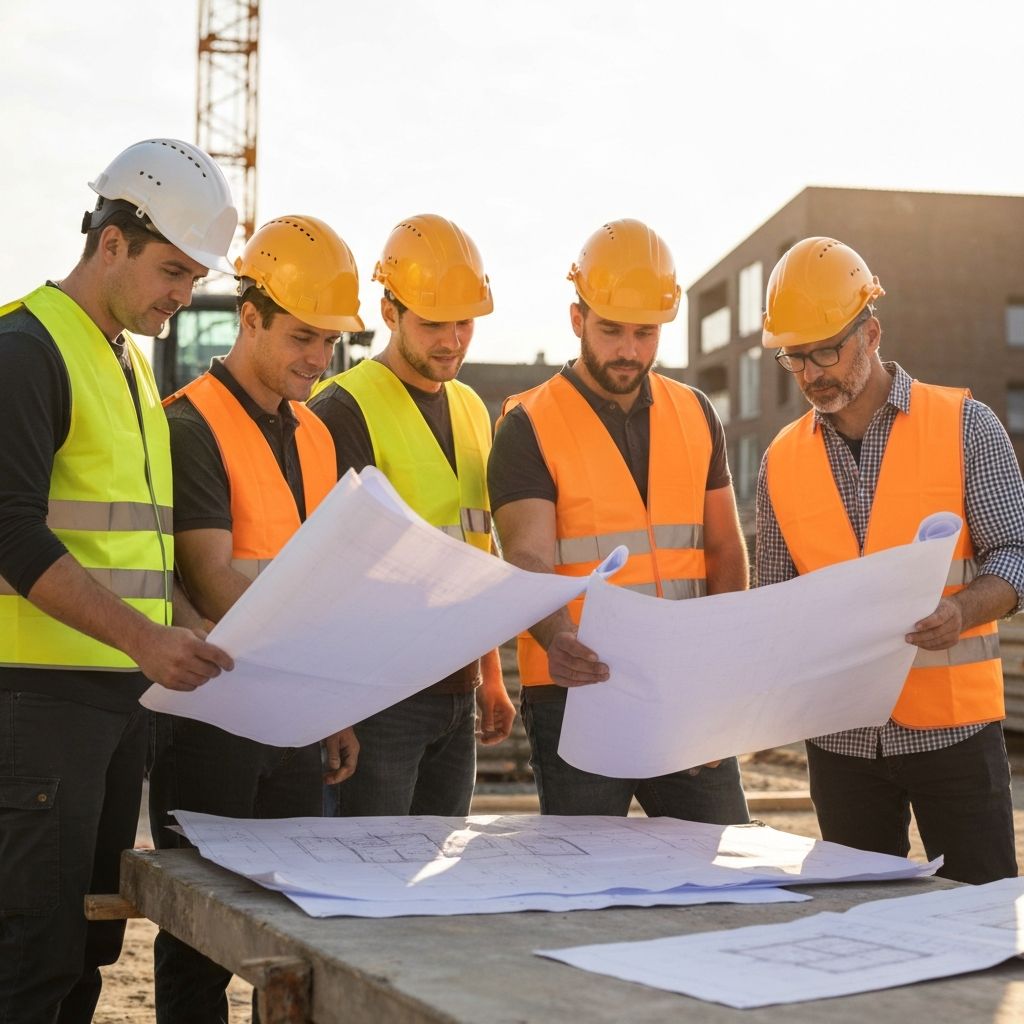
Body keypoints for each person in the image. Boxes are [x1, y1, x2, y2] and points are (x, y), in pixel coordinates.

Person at [0, 138, 237, 1024]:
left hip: (111, 707)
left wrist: (181, 631)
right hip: (36, 707)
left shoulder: (131, 367)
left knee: (87, 950)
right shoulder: (26, 349)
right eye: (172, 270)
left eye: (194, 275)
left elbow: (135, 554)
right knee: (30, 955)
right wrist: (144, 639)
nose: (184, 294)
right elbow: (9, 532)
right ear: (111, 244)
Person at [756, 236, 1024, 884]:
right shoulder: (779, 462)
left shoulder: (966, 425)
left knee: (980, 926)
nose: (813, 371)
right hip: (842, 742)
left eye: (829, 349)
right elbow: (774, 602)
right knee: (857, 936)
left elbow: (1016, 553)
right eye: (797, 357)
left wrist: (962, 611)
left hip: (954, 735)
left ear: (871, 333)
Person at [149, 215, 362, 1022]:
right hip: (212, 718)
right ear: (251, 315)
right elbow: (209, 577)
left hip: (293, 716)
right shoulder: (189, 421)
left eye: (331, 342)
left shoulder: (315, 432)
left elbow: (320, 580)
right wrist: (310, 681)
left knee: (296, 934)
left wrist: (329, 704)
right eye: (303, 336)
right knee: (198, 938)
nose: (319, 359)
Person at [488, 218, 750, 822]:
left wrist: (721, 658)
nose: (629, 350)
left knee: (717, 871)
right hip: (577, 690)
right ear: (578, 319)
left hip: (682, 687)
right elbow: (527, 555)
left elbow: (723, 549)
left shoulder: (695, 412)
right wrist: (557, 641)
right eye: (611, 330)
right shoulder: (527, 425)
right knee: (588, 876)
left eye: (645, 333)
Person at [309, 213, 515, 817]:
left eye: (464, 323)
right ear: (389, 311)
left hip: (459, 692)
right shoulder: (342, 408)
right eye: (433, 324)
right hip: (379, 699)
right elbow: (327, 579)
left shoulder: (473, 407)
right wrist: (334, 709)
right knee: (371, 881)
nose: (452, 340)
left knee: (433, 888)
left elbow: (478, 551)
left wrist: (491, 677)